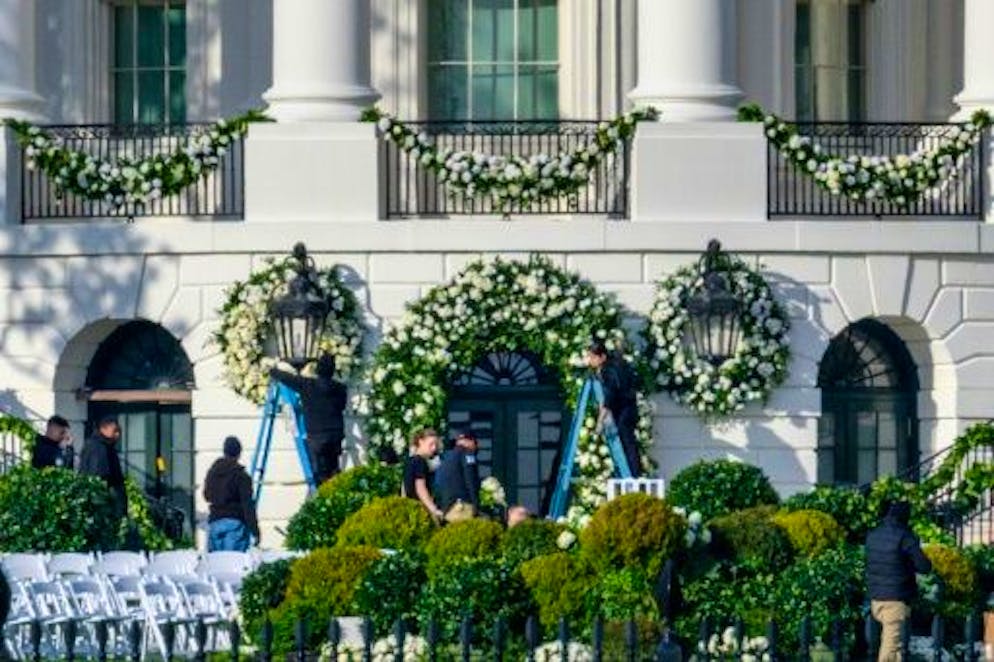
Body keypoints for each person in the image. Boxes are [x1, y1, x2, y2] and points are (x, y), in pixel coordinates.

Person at [865, 501, 933, 662]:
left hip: (876, 597)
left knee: (888, 646)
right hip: (895, 599)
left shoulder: (873, 534)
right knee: (891, 648)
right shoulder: (904, 536)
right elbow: (924, 566)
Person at [270, 353, 347, 485]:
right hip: (335, 435)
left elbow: (287, 378)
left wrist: (273, 370)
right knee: (333, 470)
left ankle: (323, 498)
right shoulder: (340, 388)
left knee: (319, 473)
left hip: (317, 436)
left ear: (318, 370)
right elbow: (341, 406)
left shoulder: (308, 385)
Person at [585, 339, 642, 478]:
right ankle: (633, 473)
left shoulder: (607, 370)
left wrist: (600, 421)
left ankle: (633, 475)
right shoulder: (615, 366)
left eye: (593, 357)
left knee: (627, 443)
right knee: (628, 442)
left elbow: (609, 396)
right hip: (627, 408)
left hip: (624, 409)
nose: (589, 360)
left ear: (602, 357)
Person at [204, 436, 260, 552]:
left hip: (215, 523)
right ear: (239, 453)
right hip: (235, 524)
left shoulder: (213, 473)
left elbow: (207, 495)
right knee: (234, 566)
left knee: (215, 566)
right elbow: (247, 505)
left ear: (224, 451)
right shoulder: (242, 476)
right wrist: (255, 531)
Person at [78, 416, 127, 519]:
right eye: (115, 431)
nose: (117, 435)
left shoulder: (102, 445)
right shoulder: (99, 447)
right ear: (103, 429)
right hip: (104, 502)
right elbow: (98, 476)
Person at [435, 428, 481, 522]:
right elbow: (470, 480)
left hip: (447, 508)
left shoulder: (446, 457)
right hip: (461, 507)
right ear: (471, 441)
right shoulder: (467, 454)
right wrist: (476, 504)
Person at [403, 428, 444, 520]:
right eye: (431, 444)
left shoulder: (410, 460)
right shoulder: (420, 461)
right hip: (420, 509)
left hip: (410, 508)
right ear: (421, 442)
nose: (434, 448)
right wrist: (434, 509)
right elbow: (420, 488)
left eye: (435, 445)